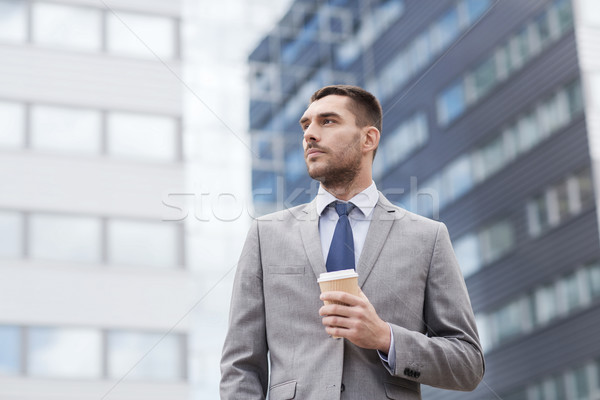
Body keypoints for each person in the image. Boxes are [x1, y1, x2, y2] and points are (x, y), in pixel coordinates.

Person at [220, 85, 484, 399]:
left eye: (327, 121)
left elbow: (467, 364)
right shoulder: (266, 235)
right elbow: (240, 366)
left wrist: (385, 338)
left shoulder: (427, 238)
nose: (310, 135)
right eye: (306, 125)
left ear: (368, 139)